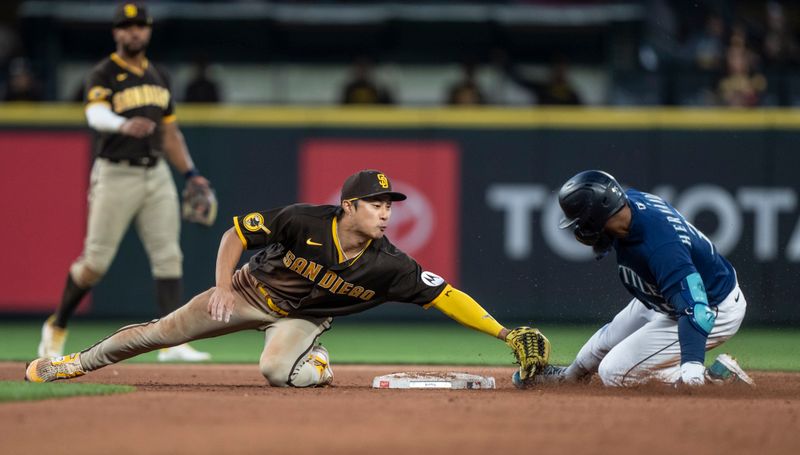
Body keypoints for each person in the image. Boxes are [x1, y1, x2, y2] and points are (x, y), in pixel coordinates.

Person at [26, 169, 549, 387]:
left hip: (301, 317)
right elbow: (235, 232)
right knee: (157, 333)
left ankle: (313, 359)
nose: (387, 213)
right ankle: (70, 363)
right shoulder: (305, 219)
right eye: (377, 203)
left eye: (391, 205)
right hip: (247, 293)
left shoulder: (390, 264)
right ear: (350, 205)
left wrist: (504, 334)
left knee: (279, 375)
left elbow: (446, 296)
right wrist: (225, 286)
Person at [36, 3, 212, 362]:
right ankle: (57, 325)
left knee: (168, 258)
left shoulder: (160, 75)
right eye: (127, 26)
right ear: (116, 32)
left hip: (156, 172)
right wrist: (121, 124)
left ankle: (172, 342)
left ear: (148, 31)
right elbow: (94, 113)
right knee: (95, 263)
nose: (134, 32)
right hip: (116, 172)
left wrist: (191, 173)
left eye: (140, 26)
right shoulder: (103, 72)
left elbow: (170, 132)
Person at [536, 170, 753, 387]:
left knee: (613, 372)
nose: (579, 228)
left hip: (712, 306)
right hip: (667, 293)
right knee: (602, 344)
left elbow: (696, 310)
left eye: (582, 221)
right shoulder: (628, 207)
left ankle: (712, 379)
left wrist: (692, 367)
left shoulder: (662, 248)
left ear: (598, 214)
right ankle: (570, 377)